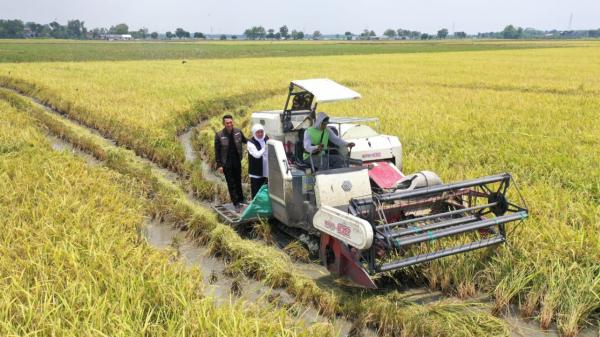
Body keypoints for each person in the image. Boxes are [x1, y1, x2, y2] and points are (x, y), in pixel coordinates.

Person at [214, 114, 247, 210]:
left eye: (230, 122)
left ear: (233, 122)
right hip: (226, 163)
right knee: (231, 183)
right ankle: (236, 202)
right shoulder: (219, 135)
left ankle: (241, 199)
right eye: (227, 123)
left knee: (238, 180)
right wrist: (219, 165)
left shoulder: (238, 132)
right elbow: (217, 151)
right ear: (224, 124)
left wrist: (259, 140)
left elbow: (245, 140)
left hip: (237, 160)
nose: (229, 124)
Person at [247, 124, 269, 199]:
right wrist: (265, 147)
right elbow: (257, 155)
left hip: (266, 171)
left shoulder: (266, 138)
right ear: (254, 133)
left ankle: (263, 208)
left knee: (264, 192)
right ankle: (255, 208)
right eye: (257, 132)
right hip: (256, 172)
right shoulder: (250, 142)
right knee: (256, 192)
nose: (260, 134)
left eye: (261, 132)